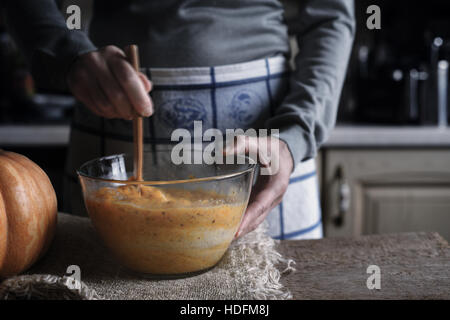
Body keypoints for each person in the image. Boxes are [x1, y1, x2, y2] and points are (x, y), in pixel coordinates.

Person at [3, 0, 355, 240]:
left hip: (268, 138)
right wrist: (67, 53)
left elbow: (331, 15)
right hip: (111, 107)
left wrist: (295, 133)